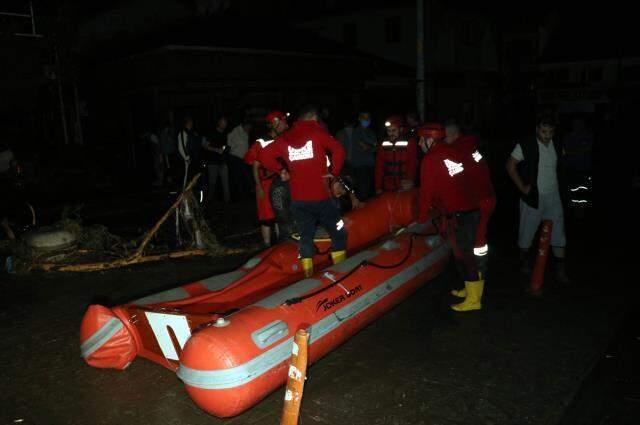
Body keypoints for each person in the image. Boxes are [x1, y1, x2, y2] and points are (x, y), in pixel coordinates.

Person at [258, 105, 346, 278]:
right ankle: (341, 273)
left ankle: (308, 275)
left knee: (306, 236)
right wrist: (334, 173)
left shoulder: (286, 137)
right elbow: (339, 150)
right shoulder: (317, 133)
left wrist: (281, 170)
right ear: (313, 118)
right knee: (339, 232)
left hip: (299, 200)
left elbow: (264, 156)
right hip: (321, 198)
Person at [418, 123, 485, 311]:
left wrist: (421, 218)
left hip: (460, 214)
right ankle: (470, 289)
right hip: (471, 209)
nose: (419, 144)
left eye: (421, 140)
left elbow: (426, 193)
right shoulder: (450, 151)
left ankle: (474, 300)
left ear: (430, 140)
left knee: (464, 255)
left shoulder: (430, 159)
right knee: (464, 254)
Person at [506, 115, 570, 284]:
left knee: (558, 233)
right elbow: (510, 165)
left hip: (553, 195)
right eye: (543, 131)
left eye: (550, 132)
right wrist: (523, 187)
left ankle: (560, 270)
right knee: (527, 232)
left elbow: (561, 165)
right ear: (537, 130)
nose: (547, 135)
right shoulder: (526, 144)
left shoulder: (557, 143)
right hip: (533, 197)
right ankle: (524, 262)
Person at [444, 120, 496, 299]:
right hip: (485, 199)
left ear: (452, 135)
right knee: (477, 244)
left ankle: (475, 293)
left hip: (479, 203)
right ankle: (472, 287)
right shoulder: (471, 147)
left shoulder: (460, 151)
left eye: (445, 136)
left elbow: (459, 180)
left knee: (476, 247)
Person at [244, 111, 289, 247]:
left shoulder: (285, 139)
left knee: (280, 214)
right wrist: (258, 186)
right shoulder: (262, 142)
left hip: (282, 181)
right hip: (265, 183)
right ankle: (267, 246)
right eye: (282, 122)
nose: (285, 125)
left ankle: (282, 245)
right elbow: (252, 163)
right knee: (266, 216)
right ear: (274, 124)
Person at [375, 115, 418, 194]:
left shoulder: (410, 142)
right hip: (387, 187)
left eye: (394, 130)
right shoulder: (383, 144)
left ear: (400, 129)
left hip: (404, 186)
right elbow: (379, 166)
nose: (391, 133)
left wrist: (409, 181)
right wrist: (378, 187)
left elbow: (412, 164)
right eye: (389, 131)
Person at [202, 116, 231, 204]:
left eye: (225, 122)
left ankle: (228, 201)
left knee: (225, 182)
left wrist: (225, 148)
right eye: (223, 122)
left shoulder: (225, 134)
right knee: (212, 182)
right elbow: (205, 146)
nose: (225, 124)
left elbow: (225, 145)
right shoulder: (212, 133)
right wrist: (216, 150)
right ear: (219, 123)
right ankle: (210, 200)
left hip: (222, 161)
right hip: (213, 162)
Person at [227, 121, 253, 200]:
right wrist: (235, 145)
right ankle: (238, 195)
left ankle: (244, 194)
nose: (249, 129)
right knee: (237, 176)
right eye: (248, 127)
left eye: (250, 128)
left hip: (243, 158)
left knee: (245, 175)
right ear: (245, 125)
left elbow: (246, 145)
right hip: (235, 157)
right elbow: (229, 140)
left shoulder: (246, 133)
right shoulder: (236, 130)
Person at [177, 117, 201, 189]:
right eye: (190, 122)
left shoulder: (191, 132)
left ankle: (189, 193)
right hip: (187, 160)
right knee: (185, 176)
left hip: (193, 159)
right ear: (187, 123)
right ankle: (183, 193)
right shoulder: (182, 133)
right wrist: (186, 158)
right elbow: (181, 147)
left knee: (191, 178)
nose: (191, 123)